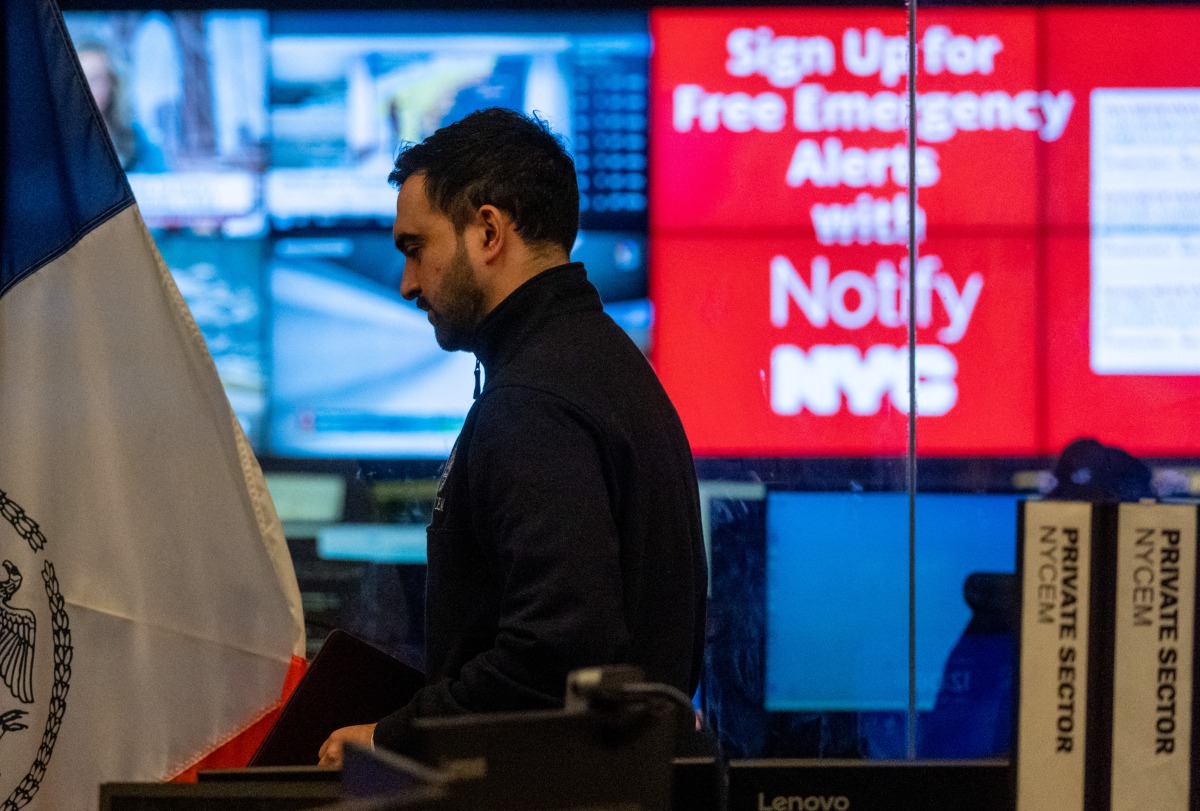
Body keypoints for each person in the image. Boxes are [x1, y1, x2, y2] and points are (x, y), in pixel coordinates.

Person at [319, 107, 708, 767]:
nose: (408, 283)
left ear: (488, 231)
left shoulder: (532, 404)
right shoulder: (605, 365)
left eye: (416, 247)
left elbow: (554, 655)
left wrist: (391, 736)